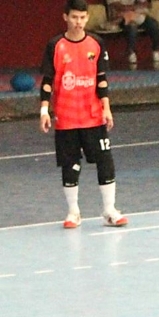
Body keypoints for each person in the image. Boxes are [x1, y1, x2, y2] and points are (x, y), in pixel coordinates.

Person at [40, 0, 128, 229]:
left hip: (93, 116)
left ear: (87, 18)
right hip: (66, 118)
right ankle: (73, 212)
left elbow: (101, 80)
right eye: (74, 17)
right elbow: (47, 81)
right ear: (65, 17)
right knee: (70, 164)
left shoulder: (96, 43)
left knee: (105, 161)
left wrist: (106, 108)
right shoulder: (55, 45)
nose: (78, 22)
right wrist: (44, 110)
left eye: (82, 18)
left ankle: (109, 210)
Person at [106, 0, 159, 65]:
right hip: (119, 18)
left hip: (137, 15)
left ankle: (156, 50)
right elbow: (119, 7)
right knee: (132, 26)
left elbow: (147, 4)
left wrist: (136, 6)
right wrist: (136, 7)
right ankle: (131, 52)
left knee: (153, 24)